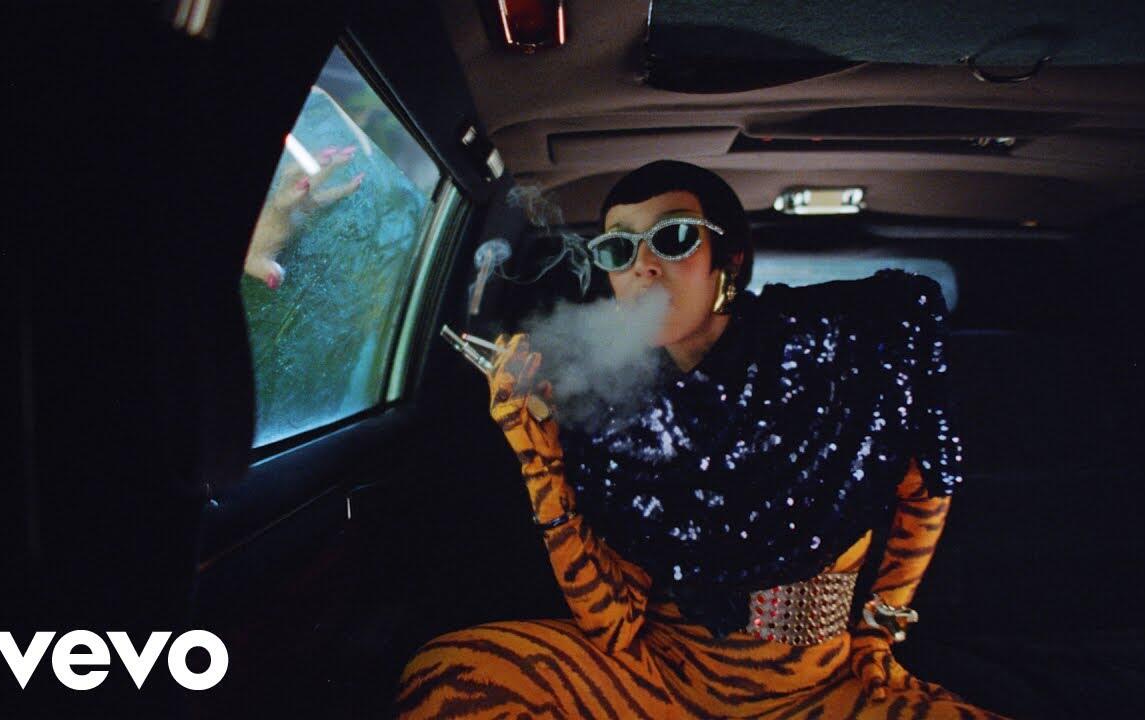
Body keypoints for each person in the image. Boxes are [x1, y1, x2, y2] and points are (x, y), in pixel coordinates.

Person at [395, 161, 1009, 719]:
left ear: (730, 260)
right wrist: (538, 456)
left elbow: (927, 486)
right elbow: (614, 629)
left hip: (822, 685)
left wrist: (879, 630)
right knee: (449, 677)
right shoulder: (612, 405)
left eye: (673, 238)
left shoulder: (827, 355)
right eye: (619, 249)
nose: (643, 266)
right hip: (660, 684)